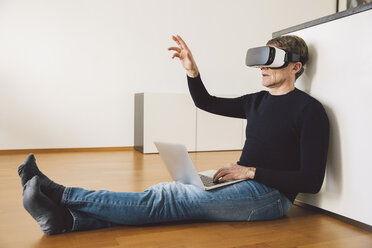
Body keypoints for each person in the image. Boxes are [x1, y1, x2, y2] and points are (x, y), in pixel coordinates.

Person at [18, 34, 329, 235]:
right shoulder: (256, 101)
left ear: (295, 67)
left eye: (271, 61)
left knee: (169, 198)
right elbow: (205, 102)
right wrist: (192, 71)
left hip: (271, 198)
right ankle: (66, 221)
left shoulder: (309, 111)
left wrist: (249, 171)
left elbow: (311, 181)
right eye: (263, 58)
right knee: (170, 194)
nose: (262, 67)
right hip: (242, 182)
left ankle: (61, 194)